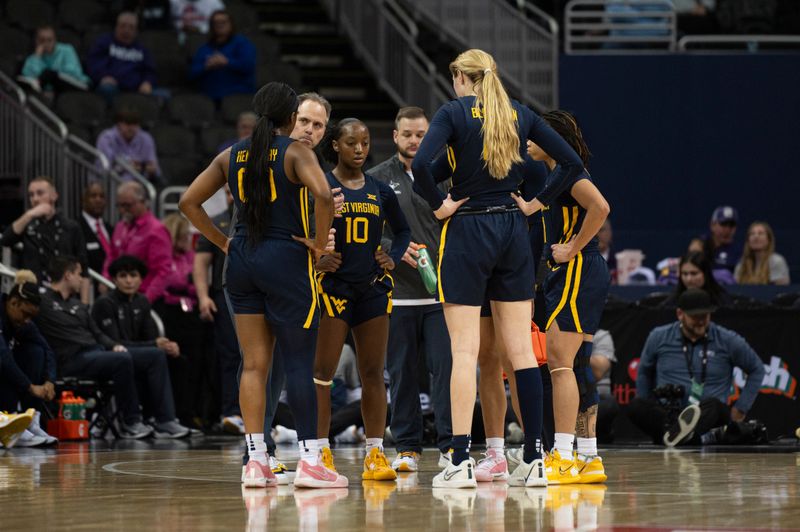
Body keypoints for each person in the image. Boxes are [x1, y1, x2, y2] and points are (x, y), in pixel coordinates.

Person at [412, 48, 585, 488]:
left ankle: (458, 459)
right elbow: (572, 162)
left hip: (468, 229)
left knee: (465, 352)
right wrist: (537, 202)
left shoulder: (453, 112)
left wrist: (440, 205)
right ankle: (533, 458)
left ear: (460, 77)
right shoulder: (519, 112)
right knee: (522, 354)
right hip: (512, 230)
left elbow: (419, 167)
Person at [179, 82, 344, 488]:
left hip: (242, 262)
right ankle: (310, 463)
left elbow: (187, 202)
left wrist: (223, 243)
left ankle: (256, 461)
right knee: (299, 365)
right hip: (285, 260)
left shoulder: (233, 153)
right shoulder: (295, 150)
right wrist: (321, 245)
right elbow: (324, 193)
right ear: (291, 118)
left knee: (252, 365)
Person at [514, 110, 611, 485]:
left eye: (535, 135)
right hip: (582, 271)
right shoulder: (558, 175)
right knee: (580, 366)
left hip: (578, 269)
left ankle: (564, 455)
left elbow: (601, 207)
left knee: (559, 366)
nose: (527, 141)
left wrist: (572, 248)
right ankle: (589, 458)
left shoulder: (571, 174)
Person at [313, 118, 410, 482]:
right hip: (333, 287)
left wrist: (393, 255)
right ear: (335, 145)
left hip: (371, 287)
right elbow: (303, 232)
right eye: (352, 142)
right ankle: (320, 451)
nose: (359, 149)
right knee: (322, 374)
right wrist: (317, 256)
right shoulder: (320, 185)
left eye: (366, 143)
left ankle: (374, 453)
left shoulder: (380, 190)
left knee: (374, 373)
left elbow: (402, 231)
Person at [368, 106, 453, 473]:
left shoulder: (448, 175)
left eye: (421, 134)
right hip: (397, 295)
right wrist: (393, 248)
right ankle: (408, 447)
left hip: (442, 295)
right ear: (396, 136)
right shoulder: (376, 179)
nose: (415, 141)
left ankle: (452, 445)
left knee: (447, 370)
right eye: (408, 134)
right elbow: (367, 232)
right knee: (401, 373)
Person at [259, 91, 334, 481]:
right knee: (262, 366)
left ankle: (265, 452)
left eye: (318, 125)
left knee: (283, 369)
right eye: (304, 121)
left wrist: (324, 240)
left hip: (299, 274)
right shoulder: (273, 156)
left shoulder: (312, 163)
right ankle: (262, 451)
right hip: (270, 270)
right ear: (290, 119)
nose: (309, 130)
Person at [36, 256, 155, 439]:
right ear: (68, 275)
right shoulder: (43, 303)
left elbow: (97, 333)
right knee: (121, 360)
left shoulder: (78, 305)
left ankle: (156, 418)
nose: (82, 279)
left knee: (137, 355)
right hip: (70, 359)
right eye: (78, 274)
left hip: (93, 354)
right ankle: (131, 422)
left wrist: (114, 345)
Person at [630, 288, 766, 446]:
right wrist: (649, 401)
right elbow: (644, 372)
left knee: (715, 407)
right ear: (680, 314)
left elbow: (757, 368)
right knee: (636, 406)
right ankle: (685, 437)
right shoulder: (659, 336)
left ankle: (676, 437)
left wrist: (741, 408)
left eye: (705, 316)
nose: (701, 321)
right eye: (695, 316)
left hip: (707, 415)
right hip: (669, 413)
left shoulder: (727, 340)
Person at [91, 256, 190, 438]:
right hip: (112, 355)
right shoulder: (104, 303)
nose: (128, 281)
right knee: (154, 355)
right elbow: (114, 343)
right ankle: (162, 420)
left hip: (138, 354)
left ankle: (176, 418)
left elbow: (152, 337)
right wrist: (155, 345)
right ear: (114, 279)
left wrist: (167, 345)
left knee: (178, 358)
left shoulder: (142, 301)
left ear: (141, 279)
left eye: (133, 275)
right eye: (123, 276)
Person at [154, 213, 215, 428]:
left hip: (191, 313)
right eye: (182, 236)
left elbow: (196, 282)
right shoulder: (164, 256)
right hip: (169, 313)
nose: (187, 240)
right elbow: (166, 283)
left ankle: (195, 412)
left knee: (197, 364)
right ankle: (177, 413)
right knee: (177, 363)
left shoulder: (191, 256)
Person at [1, 176, 90, 302]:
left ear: (54, 195)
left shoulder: (71, 226)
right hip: (34, 296)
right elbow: (6, 240)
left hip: (64, 297)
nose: (35, 199)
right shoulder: (27, 224)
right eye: (31, 195)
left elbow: (84, 268)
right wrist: (29, 214)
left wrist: (85, 305)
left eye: (40, 193)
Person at [0, 270, 59, 446]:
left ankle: (29, 420)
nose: (27, 320)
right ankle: (8, 423)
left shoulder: (23, 322)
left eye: (31, 317)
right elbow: (2, 356)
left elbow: (48, 350)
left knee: (36, 351)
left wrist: (49, 381)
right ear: (13, 302)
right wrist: (30, 387)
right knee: (5, 361)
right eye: (25, 314)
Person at [104, 181, 173, 303]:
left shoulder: (156, 230)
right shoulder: (120, 226)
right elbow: (112, 256)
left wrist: (146, 300)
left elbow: (163, 271)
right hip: (120, 296)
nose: (123, 210)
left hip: (145, 297)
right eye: (119, 205)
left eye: (128, 205)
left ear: (143, 202)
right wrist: (105, 279)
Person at [86, 11, 160, 102]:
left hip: (137, 90)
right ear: (116, 27)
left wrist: (147, 82)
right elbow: (93, 63)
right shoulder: (104, 43)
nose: (126, 30)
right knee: (107, 90)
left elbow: (150, 71)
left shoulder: (142, 49)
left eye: (131, 27)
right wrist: (103, 76)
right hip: (111, 87)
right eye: (123, 26)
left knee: (163, 95)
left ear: (136, 31)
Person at [189, 10, 256, 103]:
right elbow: (192, 73)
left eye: (223, 22)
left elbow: (248, 66)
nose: (219, 25)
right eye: (215, 23)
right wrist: (206, 66)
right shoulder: (204, 48)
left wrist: (226, 61)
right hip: (209, 95)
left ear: (231, 24)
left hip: (238, 94)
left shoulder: (242, 44)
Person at [20, 25, 89, 100]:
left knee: (49, 74)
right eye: (42, 40)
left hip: (77, 84)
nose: (46, 43)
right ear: (37, 41)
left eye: (49, 40)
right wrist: (37, 57)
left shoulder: (67, 50)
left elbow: (74, 72)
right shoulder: (34, 57)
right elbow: (28, 76)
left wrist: (51, 74)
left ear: (55, 40)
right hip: (50, 89)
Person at [96, 108, 163, 186]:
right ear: (119, 124)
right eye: (127, 124)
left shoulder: (146, 138)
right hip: (111, 183)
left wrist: (145, 168)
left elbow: (154, 168)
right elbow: (104, 169)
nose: (131, 128)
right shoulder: (106, 138)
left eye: (134, 124)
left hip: (139, 184)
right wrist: (128, 167)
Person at [662, 251, 730, 307]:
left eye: (694, 273)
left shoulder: (721, 299)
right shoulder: (673, 300)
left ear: (705, 274)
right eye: (684, 274)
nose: (689, 279)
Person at [689, 206, 739, 279]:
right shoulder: (701, 244)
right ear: (712, 225)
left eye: (731, 225)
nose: (727, 230)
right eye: (723, 224)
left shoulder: (739, 251)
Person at [78, 182, 114, 278]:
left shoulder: (110, 229)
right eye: (93, 196)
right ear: (83, 200)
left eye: (102, 196)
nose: (98, 200)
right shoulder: (76, 228)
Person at [597, 219, 617, 284]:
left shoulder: (619, 261)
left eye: (601, 230)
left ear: (610, 233)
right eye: (592, 231)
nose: (596, 234)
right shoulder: (581, 262)